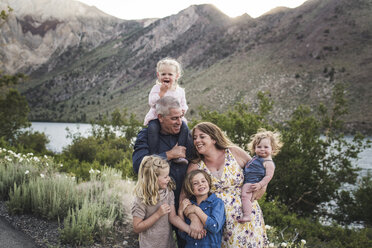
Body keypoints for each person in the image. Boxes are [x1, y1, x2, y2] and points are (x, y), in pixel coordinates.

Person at [184, 122, 269, 247]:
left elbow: (260, 171)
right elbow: (184, 197)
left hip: (245, 219)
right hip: (216, 223)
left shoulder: (234, 153)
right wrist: (193, 217)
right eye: (195, 138)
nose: (197, 141)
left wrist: (260, 191)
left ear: (213, 138)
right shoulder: (196, 165)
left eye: (202, 137)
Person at [132, 96, 195, 247]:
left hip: (182, 200)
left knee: (187, 241)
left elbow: (198, 158)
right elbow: (138, 166)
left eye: (180, 117)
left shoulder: (185, 134)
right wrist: (169, 154)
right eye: (174, 118)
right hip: (155, 204)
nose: (179, 122)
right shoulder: (146, 135)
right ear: (160, 117)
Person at [131, 155, 191, 248]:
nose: (169, 179)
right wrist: (158, 214)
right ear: (153, 179)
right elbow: (137, 227)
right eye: (165, 177)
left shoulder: (168, 191)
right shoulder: (141, 198)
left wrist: (190, 229)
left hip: (168, 244)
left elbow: (173, 217)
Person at [144, 57, 189, 165]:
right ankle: (154, 153)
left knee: (185, 128)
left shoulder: (180, 91)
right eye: (163, 74)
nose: (166, 76)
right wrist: (161, 93)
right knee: (152, 128)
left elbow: (184, 104)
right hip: (157, 117)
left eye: (170, 74)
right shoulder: (156, 88)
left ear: (176, 76)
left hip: (175, 118)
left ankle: (179, 151)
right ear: (158, 76)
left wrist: (183, 110)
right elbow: (151, 102)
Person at [239, 129, 282, 223]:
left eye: (266, 147)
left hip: (252, 183)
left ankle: (247, 215)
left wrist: (259, 185)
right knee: (245, 197)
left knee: (245, 197)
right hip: (248, 180)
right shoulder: (256, 158)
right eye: (259, 147)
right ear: (254, 148)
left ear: (272, 149)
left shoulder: (268, 163)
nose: (262, 149)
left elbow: (268, 177)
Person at [178, 169, 225, 247]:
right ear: (190, 188)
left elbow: (214, 227)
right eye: (195, 183)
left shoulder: (216, 203)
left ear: (208, 183)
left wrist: (197, 210)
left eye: (203, 181)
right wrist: (180, 212)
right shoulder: (189, 205)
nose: (200, 184)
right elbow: (183, 234)